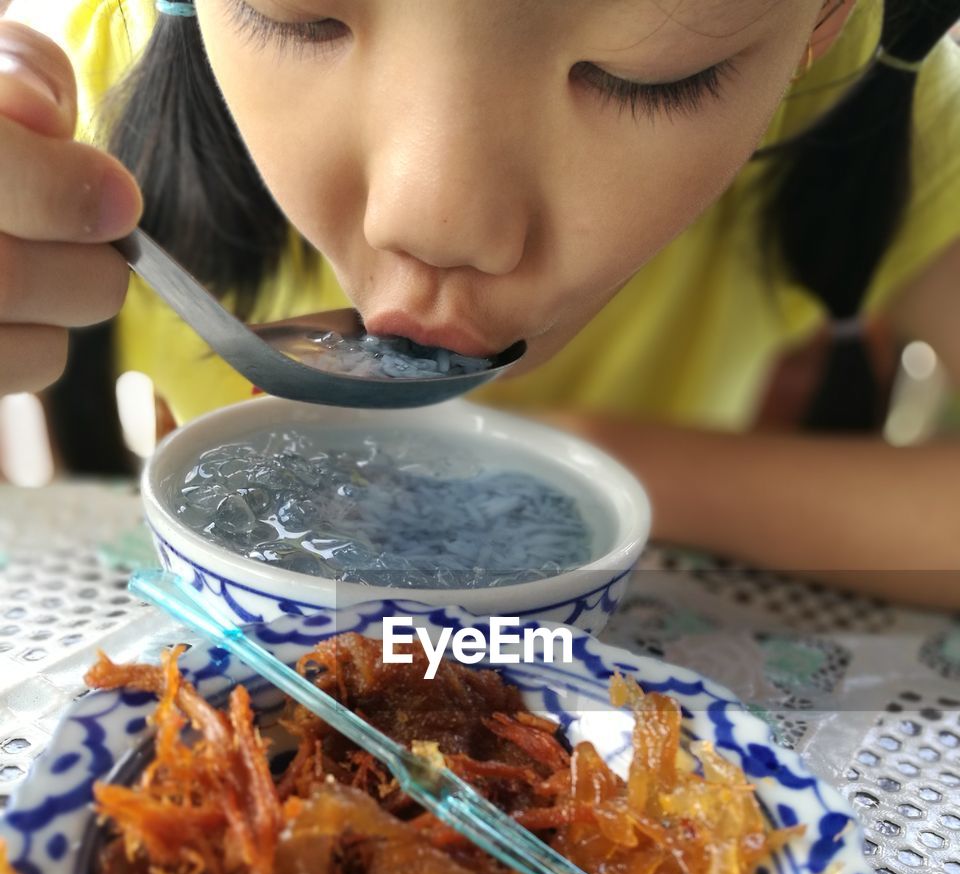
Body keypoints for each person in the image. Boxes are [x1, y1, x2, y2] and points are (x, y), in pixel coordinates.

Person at [0, 0, 958, 603]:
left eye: (643, 73)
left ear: (825, 21)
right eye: (299, 17)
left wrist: (588, 465)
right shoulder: (85, 114)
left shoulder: (901, 123)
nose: (435, 220)